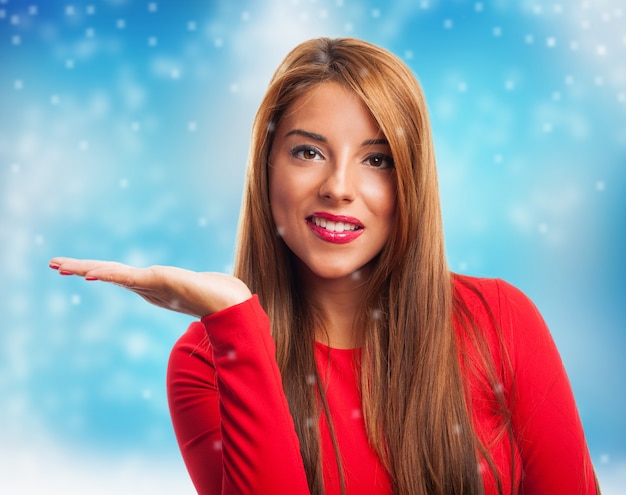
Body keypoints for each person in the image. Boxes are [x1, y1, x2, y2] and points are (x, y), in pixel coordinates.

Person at [49, 37, 599, 495]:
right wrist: (237, 324)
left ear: (411, 179)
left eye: (376, 159)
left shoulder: (499, 322)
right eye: (308, 152)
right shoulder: (206, 361)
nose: (338, 187)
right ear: (265, 170)